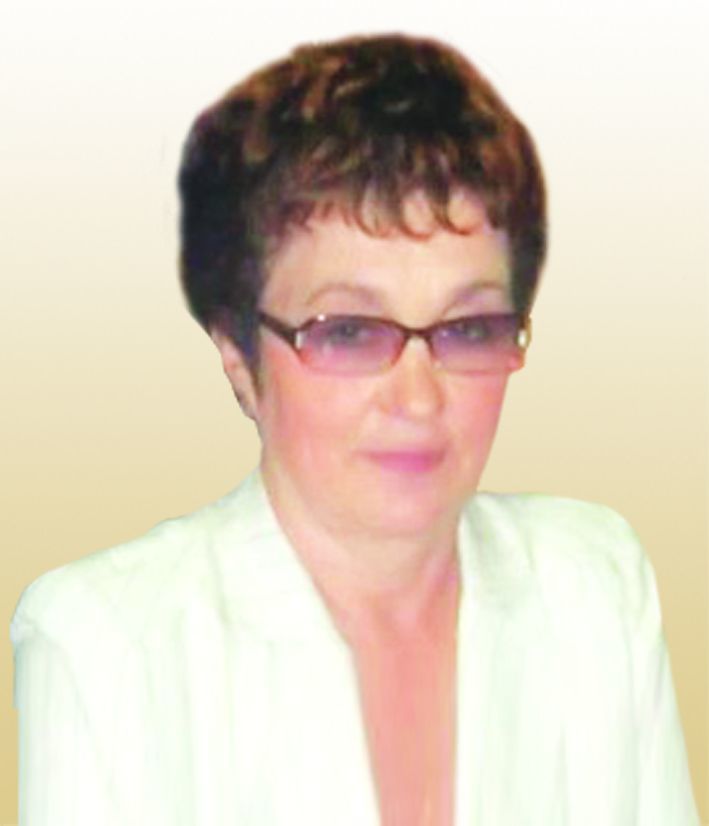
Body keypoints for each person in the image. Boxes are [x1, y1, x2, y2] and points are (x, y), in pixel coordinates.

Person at [11, 33, 700, 826]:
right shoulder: (104, 647)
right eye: (347, 332)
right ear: (238, 358)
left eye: (467, 328)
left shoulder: (594, 586)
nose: (418, 398)